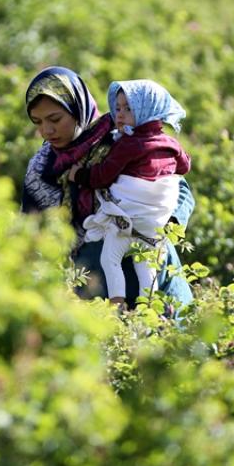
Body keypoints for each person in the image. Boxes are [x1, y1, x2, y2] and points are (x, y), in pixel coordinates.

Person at [21, 67, 194, 308]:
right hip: (93, 285)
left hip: (151, 262)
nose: (47, 131)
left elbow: (178, 185)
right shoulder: (41, 170)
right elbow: (33, 232)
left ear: (77, 109)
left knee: (168, 333)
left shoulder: (121, 138)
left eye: (55, 119)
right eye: (37, 122)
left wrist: (162, 224)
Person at [66, 80, 190, 308]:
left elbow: (103, 176)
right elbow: (184, 167)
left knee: (110, 259)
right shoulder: (171, 144)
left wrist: (79, 175)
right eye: (118, 108)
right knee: (147, 266)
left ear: (146, 110)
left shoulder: (128, 144)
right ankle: (149, 306)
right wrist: (162, 172)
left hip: (126, 220)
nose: (119, 114)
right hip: (152, 226)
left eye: (128, 108)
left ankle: (117, 300)